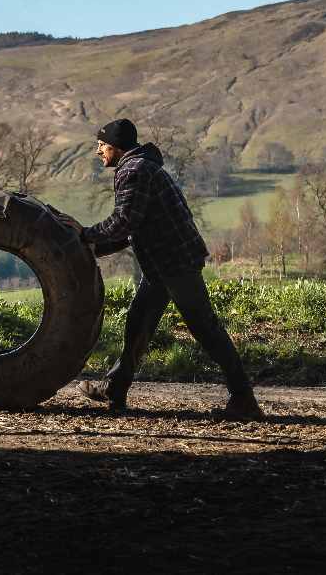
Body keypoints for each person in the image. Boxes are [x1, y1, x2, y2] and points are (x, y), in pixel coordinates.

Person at [69, 117, 264, 422]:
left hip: (174, 264)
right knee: (138, 323)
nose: (98, 151)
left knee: (205, 329)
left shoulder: (133, 171)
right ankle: (115, 390)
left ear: (117, 146)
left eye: (102, 145)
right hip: (164, 265)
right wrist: (93, 246)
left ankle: (244, 400)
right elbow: (132, 229)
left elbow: (124, 222)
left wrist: (84, 236)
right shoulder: (141, 167)